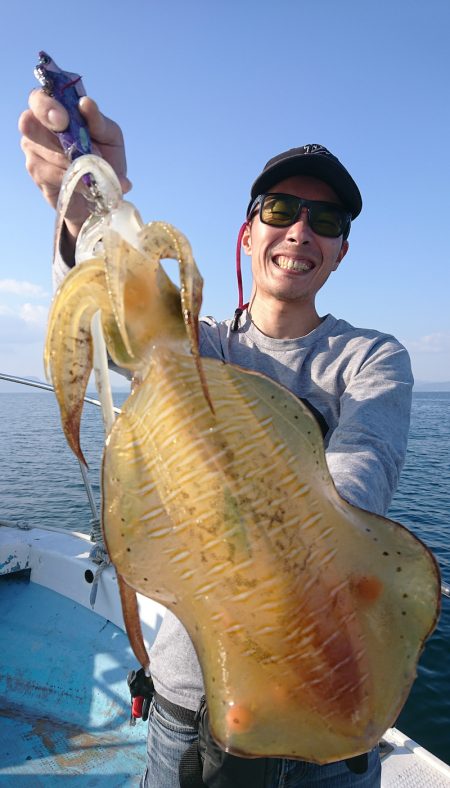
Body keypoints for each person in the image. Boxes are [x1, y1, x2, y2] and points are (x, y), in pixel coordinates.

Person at [20, 90, 413, 788]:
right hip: (187, 699)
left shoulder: (369, 359)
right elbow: (121, 321)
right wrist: (82, 203)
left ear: (342, 251)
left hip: (327, 701)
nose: (299, 232)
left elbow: (363, 471)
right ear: (249, 231)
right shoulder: (194, 347)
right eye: (281, 211)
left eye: (324, 220)